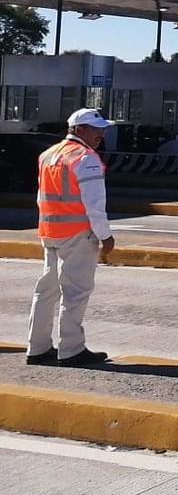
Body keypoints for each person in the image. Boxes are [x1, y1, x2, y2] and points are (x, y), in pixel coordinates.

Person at [27, 108, 116, 367]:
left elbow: (41, 197)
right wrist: (105, 236)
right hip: (77, 234)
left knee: (46, 291)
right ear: (78, 129)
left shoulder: (48, 155)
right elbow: (94, 204)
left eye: (102, 127)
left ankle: (37, 347)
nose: (101, 132)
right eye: (95, 127)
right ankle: (71, 349)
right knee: (76, 291)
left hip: (50, 232)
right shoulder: (85, 158)